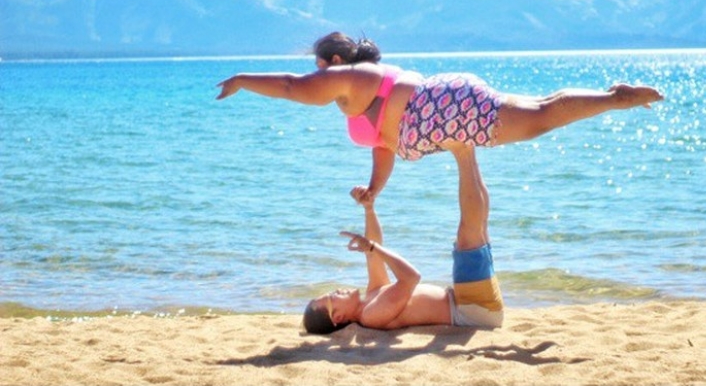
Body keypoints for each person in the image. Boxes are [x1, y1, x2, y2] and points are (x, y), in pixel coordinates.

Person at [216, 31, 664, 205]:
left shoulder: (350, 77)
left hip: (442, 113)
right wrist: (374, 188)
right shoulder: (363, 87)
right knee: (539, 109)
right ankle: (611, 97)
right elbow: (383, 145)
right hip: (444, 104)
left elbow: (294, 87)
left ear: (333, 61)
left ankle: (613, 99)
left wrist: (241, 79)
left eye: (319, 65)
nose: (315, 74)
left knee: (541, 117)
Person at [302, 143, 503, 333]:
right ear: (338, 316)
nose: (336, 290)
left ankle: (467, 150)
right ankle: (463, 151)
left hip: (467, 302)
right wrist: (371, 247)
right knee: (467, 237)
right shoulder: (370, 315)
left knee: (477, 228)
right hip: (473, 312)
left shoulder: (372, 295)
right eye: (331, 297)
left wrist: (369, 210)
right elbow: (411, 277)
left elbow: (373, 254)